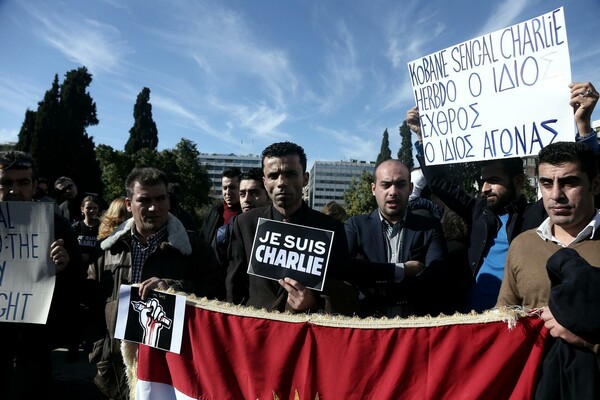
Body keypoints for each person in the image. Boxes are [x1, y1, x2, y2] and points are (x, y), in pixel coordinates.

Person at [89, 167, 221, 399]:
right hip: (116, 367)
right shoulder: (108, 250)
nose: (154, 207)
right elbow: (89, 302)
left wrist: (174, 287)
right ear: (129, 204)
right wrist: (100, 350)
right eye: (144, 200)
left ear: (169, 200)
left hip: (171, 371)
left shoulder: (193, 248)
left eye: (161, 198)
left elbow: (217, 292)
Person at [494, 141, 600, 399]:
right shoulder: (522, 245)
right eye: (546, 183)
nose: (555, 195)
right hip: (535, 385)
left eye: (569, 182)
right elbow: (503, 319)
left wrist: (588, 342)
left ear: (595, 184)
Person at [407, 106, 530, 313]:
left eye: (493, 180)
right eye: (483, 181)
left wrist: (583, 129)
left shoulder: (537, 217)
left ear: (518, 181)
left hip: (514, 324)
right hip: (470, 319)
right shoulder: (479, 210)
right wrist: (421, 137)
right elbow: (438, 183)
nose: (485, 188)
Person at [226, 142, 364, 314]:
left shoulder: (331, 228)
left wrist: (315, 300)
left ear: (305, 179)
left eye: (290, 174)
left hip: (306, 331)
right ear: (264, 181)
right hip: (256, 331)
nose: (281, 182)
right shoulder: (244, 223)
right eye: (273, 175)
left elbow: (347, 292)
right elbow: (234, 288)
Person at [0, 150, 82, 399]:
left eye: (23, 182)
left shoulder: (56, 226)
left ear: (35, 186)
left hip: (35, 343)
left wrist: (63, 269)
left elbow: (78, 283)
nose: (14, 190)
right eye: (6, 182)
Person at [345, 159, 448, 317]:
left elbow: (435, 278)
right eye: (385, 185)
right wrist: (402, 270)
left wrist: (369, 271)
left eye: (400, 184)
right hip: (368, 320)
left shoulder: (430, 227)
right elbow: (344, 268)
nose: (393, 192)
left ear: (410, 188)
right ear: (374, 189)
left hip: (415, 321)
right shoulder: (356, 226)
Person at [200, 167, 242, 266]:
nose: (228, 192)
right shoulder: (214, 212)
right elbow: (202, 239)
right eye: (225, 188)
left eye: (232, 187)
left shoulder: (246, 215)